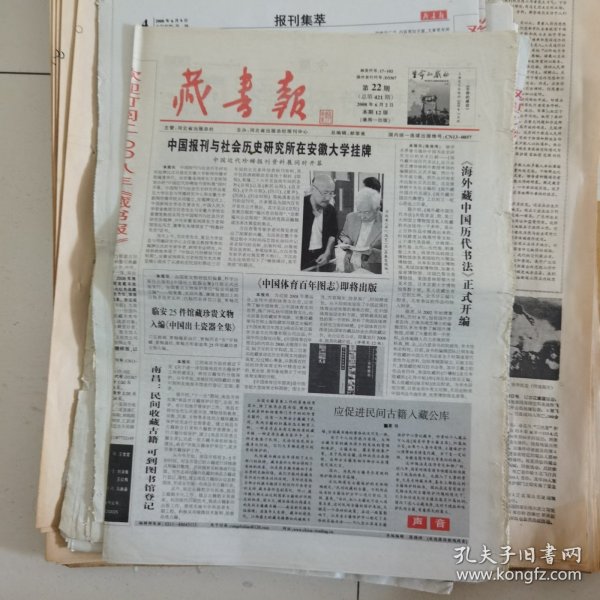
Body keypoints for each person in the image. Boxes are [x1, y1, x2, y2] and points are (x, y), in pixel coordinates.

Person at [338, 187, 382, 274]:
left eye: (366, 212)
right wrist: (346, 241)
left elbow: (391, 253)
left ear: (377, 209)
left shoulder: (387, 222)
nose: (362, 216)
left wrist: (372, 252)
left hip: (372, 270)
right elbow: (343, 235)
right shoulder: (351, 217)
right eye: (359, 211)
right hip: (350, 265)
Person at [301, 174, 338, 271]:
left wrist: (327, 253)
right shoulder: (300, 206)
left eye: (331, 193)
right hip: (302, 257)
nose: (328, 198)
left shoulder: (330, 210)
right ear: (313, 189)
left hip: (322, 255)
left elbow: (332, 234)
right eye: (325, 193)